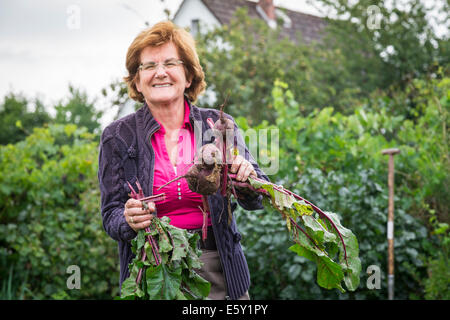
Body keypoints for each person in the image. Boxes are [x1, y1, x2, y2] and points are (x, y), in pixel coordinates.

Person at [98, 20, 268, 300]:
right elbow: (111, 216)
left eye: (170, 63)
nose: (160, 73)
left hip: (217, 269)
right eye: (149, 66)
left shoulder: (217, 123)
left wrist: (246, 179)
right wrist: (128, 219)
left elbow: (257, 198)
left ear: (188, 76)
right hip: (152, 269)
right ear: (137, 81)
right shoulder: (117, 136)